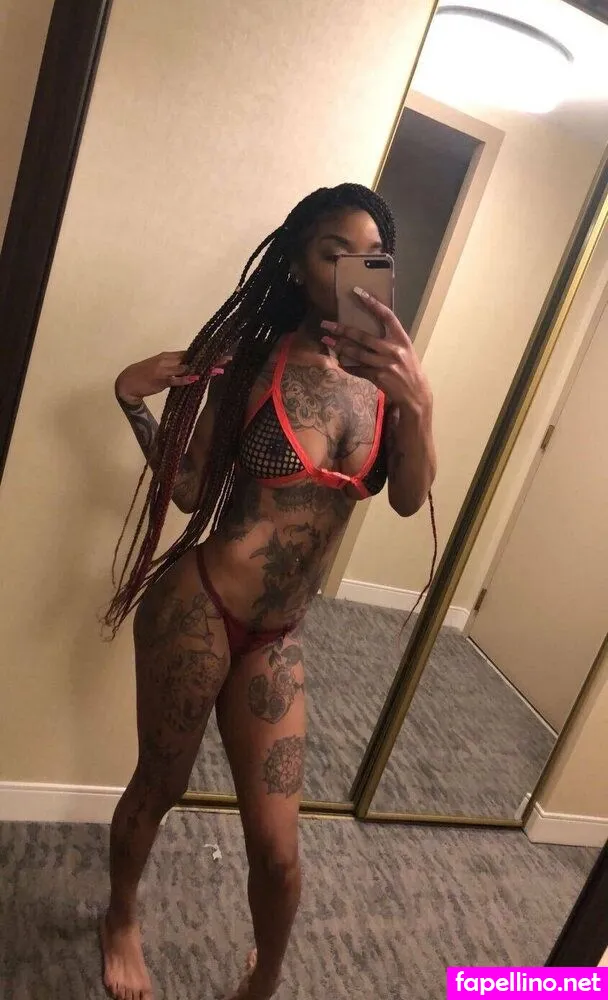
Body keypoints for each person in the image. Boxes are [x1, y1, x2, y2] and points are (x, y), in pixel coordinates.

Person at [100, 182, 437, 1000]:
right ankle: (120, 916)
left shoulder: (386, 384)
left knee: (280, 852)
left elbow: (407, 497)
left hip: (278, 638)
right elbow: (189, 490)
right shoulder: (256, 363)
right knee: (161, 784)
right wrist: (132, 400)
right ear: (296, 264)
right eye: (332, 252)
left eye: (371, 257)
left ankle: (265, 979)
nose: (353, 271)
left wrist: (419, 403)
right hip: (201, 608)